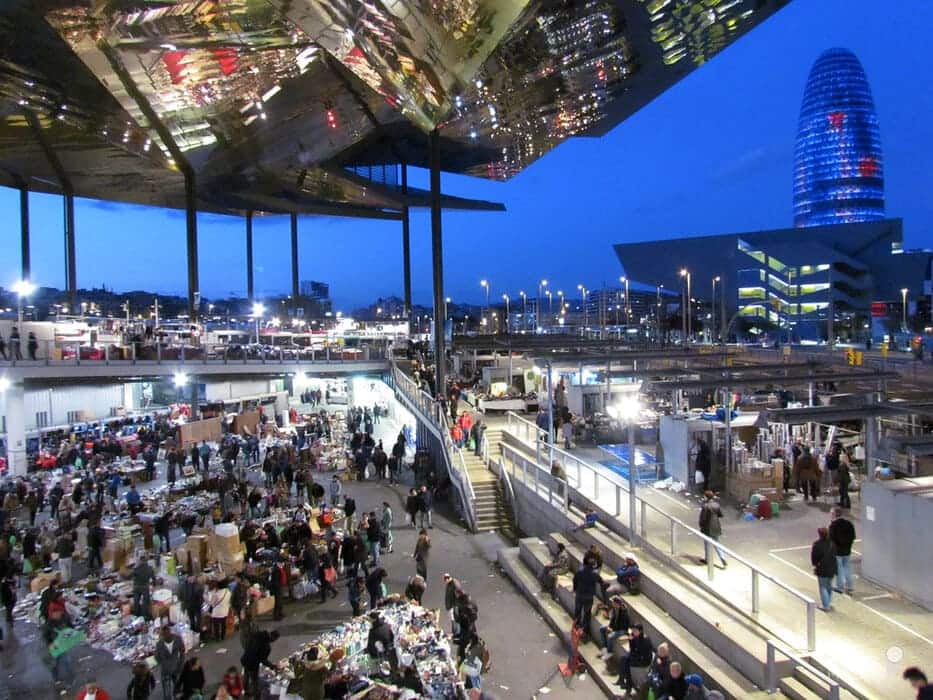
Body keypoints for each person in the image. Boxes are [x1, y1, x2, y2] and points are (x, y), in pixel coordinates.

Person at [241, 629, 280, 697]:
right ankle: (257, 696)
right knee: (255, 681)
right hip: (253, 664)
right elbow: (263, 660)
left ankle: (246, 691)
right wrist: (272, 666)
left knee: (246, 674)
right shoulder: (266, 647)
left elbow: (248, 641)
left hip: (245, 658)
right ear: (274, 639)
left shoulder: (258, 634)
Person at [617, 623, 654, 693]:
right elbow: (632, 649)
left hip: (644, 660)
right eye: (633, 630)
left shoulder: (645, 640)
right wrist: (631, 640)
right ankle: (623, 680)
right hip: (637, 656)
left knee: (626, 662)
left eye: (635, 630)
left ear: (640, 631)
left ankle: (625, 682)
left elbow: (644, 654)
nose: (633, 631)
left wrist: (633, 656)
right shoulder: (634, 636)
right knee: (623, 659)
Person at [572, 557, 602, 639]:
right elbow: (601, 581)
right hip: (588, 597)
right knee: (587, 614)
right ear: (593, 565)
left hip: (579, 594)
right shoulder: (594, 574)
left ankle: (576, 627)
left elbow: (574, 580)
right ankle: (585, 632)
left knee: (577, 611)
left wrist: (575, 589)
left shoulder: (579, 572)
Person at [829, 507, 856, 595]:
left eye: (831, 513)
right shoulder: (848, 523)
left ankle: (839, 587)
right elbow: (853, 536)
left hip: (837, 551)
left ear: (834, 514)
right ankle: (850, 586)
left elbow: (831, 538)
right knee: (847, 567)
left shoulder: (833, 525)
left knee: (839, 569)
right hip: (847, 550)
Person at [811, 526, 838, 612]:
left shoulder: (816, 544)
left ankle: (825, 606)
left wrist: (815, 564)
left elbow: (814, 557)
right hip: (832, 568)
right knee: (829, 586)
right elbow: (835, 555)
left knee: (822, 586)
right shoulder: (832, 543)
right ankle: (828, 602)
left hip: (822, 568)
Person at [155, 624, 185, 700]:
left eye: (167, 634)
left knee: (178, 689)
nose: (166, 637)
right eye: (164, 635)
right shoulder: (159, 644)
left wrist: (181, 664)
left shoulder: (177, 639)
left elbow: (182, 652)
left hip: (177, 668)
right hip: (166, 670)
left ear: (170, 633)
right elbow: (157, 657)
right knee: (167, 692)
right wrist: (164, 664)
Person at [698, 491, 726, 567]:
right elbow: (721, 515)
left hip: (707, 528)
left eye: (704, 496)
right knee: (716, 543)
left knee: (707, 543)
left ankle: (707, 559)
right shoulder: (716, 505)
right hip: (716, 526)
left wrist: (701, 525)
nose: (703, 498)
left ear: (706, 497)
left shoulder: (705, 506)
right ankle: (722, 557)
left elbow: (703, 518)